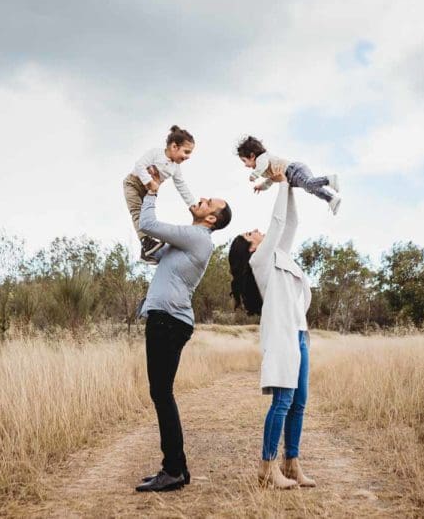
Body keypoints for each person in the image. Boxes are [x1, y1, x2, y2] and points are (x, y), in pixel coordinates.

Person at [135, 167, 232, 493]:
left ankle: (174, 469)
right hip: (167, 319)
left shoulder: (196, 237)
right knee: (162, 393)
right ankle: (175, 468)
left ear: (211, 220)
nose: (200, 199)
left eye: (208, 202)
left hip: (167, 320)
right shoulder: (188, 240)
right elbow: (151, 253)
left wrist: (152, 190)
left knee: (161, 393)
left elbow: (148, 224)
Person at [228, 166, 317, 490]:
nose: (256, 231)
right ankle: (267, 467)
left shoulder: (281, 256)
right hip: (281, 337)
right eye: (251, 234)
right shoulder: (260, 263)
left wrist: (291, 186)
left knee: (299, 403)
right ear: (251, 248)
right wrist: (279, 182)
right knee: (282, 401)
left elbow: (290, 223)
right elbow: (277, 222)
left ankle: (291, 464)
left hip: (299, 334)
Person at [125, 126, 198, 264]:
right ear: (174, 146)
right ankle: (146, 242)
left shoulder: (175, 168)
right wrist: (149, 181)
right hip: (133, 184)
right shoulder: (155, 153)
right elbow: (140, 165)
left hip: (149, 191)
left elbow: (181, 186)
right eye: (186, 152)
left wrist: (192, 205)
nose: (188, 157)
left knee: (147, 217)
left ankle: (145, 253)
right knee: (137, 213)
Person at [235, 135, 341, 215]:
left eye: (244, 161)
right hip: (292, 178)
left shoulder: (262, 158)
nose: (245, 165)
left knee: (308, 185)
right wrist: (261, 187)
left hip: (294, 170)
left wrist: (254, 175)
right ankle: (331, 199)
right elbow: (271, 180)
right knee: (310, 189)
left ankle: (329, 179)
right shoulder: (264, 171)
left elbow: (262, 166)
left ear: (252, 156)